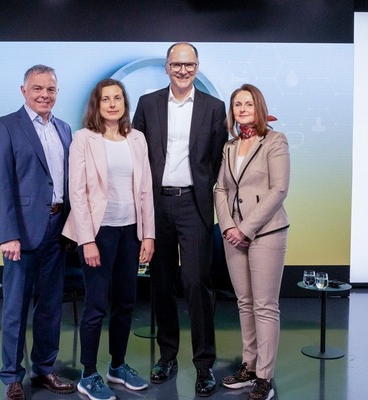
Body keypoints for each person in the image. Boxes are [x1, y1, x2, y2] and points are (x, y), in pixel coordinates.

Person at [132, 42, 227, 397]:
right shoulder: (148, 104)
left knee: (196, 283)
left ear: (197, 67)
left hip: (194, 203)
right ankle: (167, 356)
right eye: (176, 64)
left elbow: (219, 158)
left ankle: (204, 365)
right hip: (157, 204)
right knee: (161, 283)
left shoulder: (214, 108)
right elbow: (137, 155)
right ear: (167, 67)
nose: (183, 70)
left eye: (189, 64)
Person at [0, 64, 76, 400]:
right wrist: (7, 233)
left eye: (50, 89)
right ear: (24, 91)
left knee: (51, 305)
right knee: (16, 306)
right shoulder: (5, 127)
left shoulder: (65, 129)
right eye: (37, 88)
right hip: (21, 234)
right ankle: (11, 375)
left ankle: (45, 369)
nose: (44, 95)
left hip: (57, 229)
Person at [62, 78, 156, 400]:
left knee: (126, 303)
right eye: (106, 99)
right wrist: (86, 240)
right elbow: (77, 193)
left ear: (125, 103)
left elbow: (145, 190)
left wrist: (148, 235)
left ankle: (117, 366)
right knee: (97, 305)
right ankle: (89, 373)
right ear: (97, 105)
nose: (113, 104)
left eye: (118, 98)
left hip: (130, 232)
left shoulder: (137, 139)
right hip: (98, 234)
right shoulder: (83, 139)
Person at [214, 84, 290, 400]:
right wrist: (229, 227)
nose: (242, 109)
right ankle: (249, 366)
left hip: (266, 232)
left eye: (247, 103)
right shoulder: (230, 146)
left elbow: (278, 190)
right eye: (237, 105)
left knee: (265, 306)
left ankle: (264, 377)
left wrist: (245, 228)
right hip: (234, 234)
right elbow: (220, 189)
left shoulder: (275, 141)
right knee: (244, 303)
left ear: (258, 106)